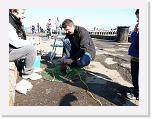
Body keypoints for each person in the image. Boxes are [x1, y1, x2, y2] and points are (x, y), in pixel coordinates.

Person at [9, 9, 42, 80]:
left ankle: (30, 68)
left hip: (10, 49)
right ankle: (27, 73)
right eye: (22, 13)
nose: (24, 15)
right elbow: (16, 43)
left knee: (29, 46)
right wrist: (31, 41)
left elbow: (19, 38)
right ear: (14, 12)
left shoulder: (13, 21)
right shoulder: (8, 22)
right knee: (31, 49)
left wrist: (31, 40)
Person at [127, 9, 139, 100]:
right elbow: (132, 39)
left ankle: (137, 94)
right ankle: (136, 89)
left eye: (139, 18)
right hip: (135, 56)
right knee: (135, 75)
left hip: (137, 57)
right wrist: (135, 31)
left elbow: (135, 42)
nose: (138, 21)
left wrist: (136, 32)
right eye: (137, 19)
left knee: (137, 75)